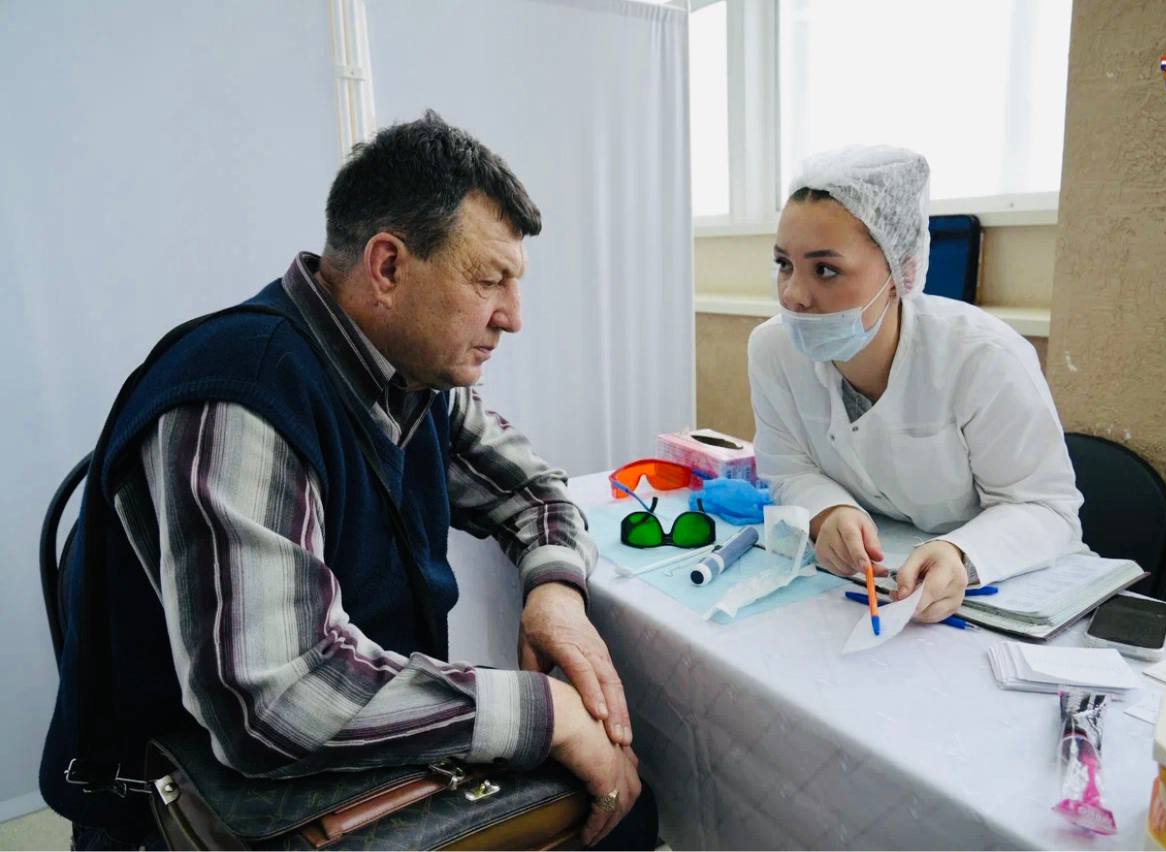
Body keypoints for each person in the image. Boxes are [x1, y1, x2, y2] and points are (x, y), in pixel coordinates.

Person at [41, 111, 656, 850]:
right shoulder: (242, 397)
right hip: (190, 808)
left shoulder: (413, 378)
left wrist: (555, 588)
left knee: (628, 813)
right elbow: (271, 703)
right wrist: (545, 713)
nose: (513, 317)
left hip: (344, 765)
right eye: (490, 279)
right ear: (388, 267)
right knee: (608, 807)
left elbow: (533, 490)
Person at [748, 144, 1086, 623]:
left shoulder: (983, 358)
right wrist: (829, 512)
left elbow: (1047, 509)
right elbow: (787, 470)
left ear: (901, 273)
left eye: (826, 269)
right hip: (874, 584)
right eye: (784, 264)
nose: (793, 295)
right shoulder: (773, 350)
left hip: (1005, 591)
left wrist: (960, 554)